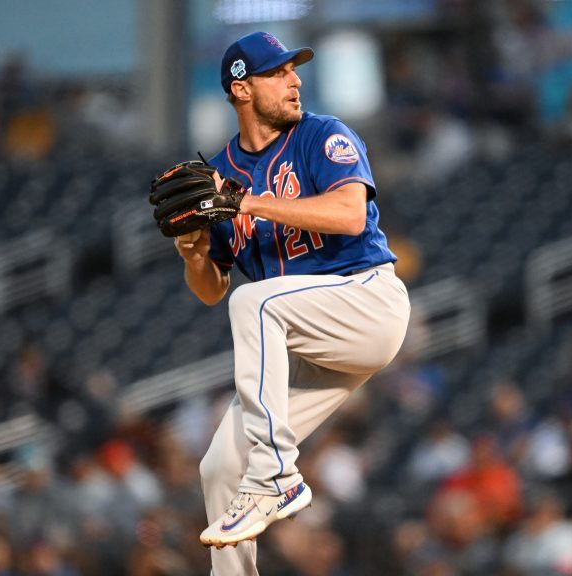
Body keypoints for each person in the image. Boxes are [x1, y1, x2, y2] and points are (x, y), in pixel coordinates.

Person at [173, 31, 411, 574]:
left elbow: (351, 215)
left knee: (256, 303)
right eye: (277, 72)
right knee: (220, 466)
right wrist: (192, 255)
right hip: (303, 339)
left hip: (365, 303)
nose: (295, 79)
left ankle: (277, 474)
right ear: (241, 88)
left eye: (293, 69)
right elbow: (213, 290)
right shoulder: (219, 173)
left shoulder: (323, 136)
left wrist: (246, 201)